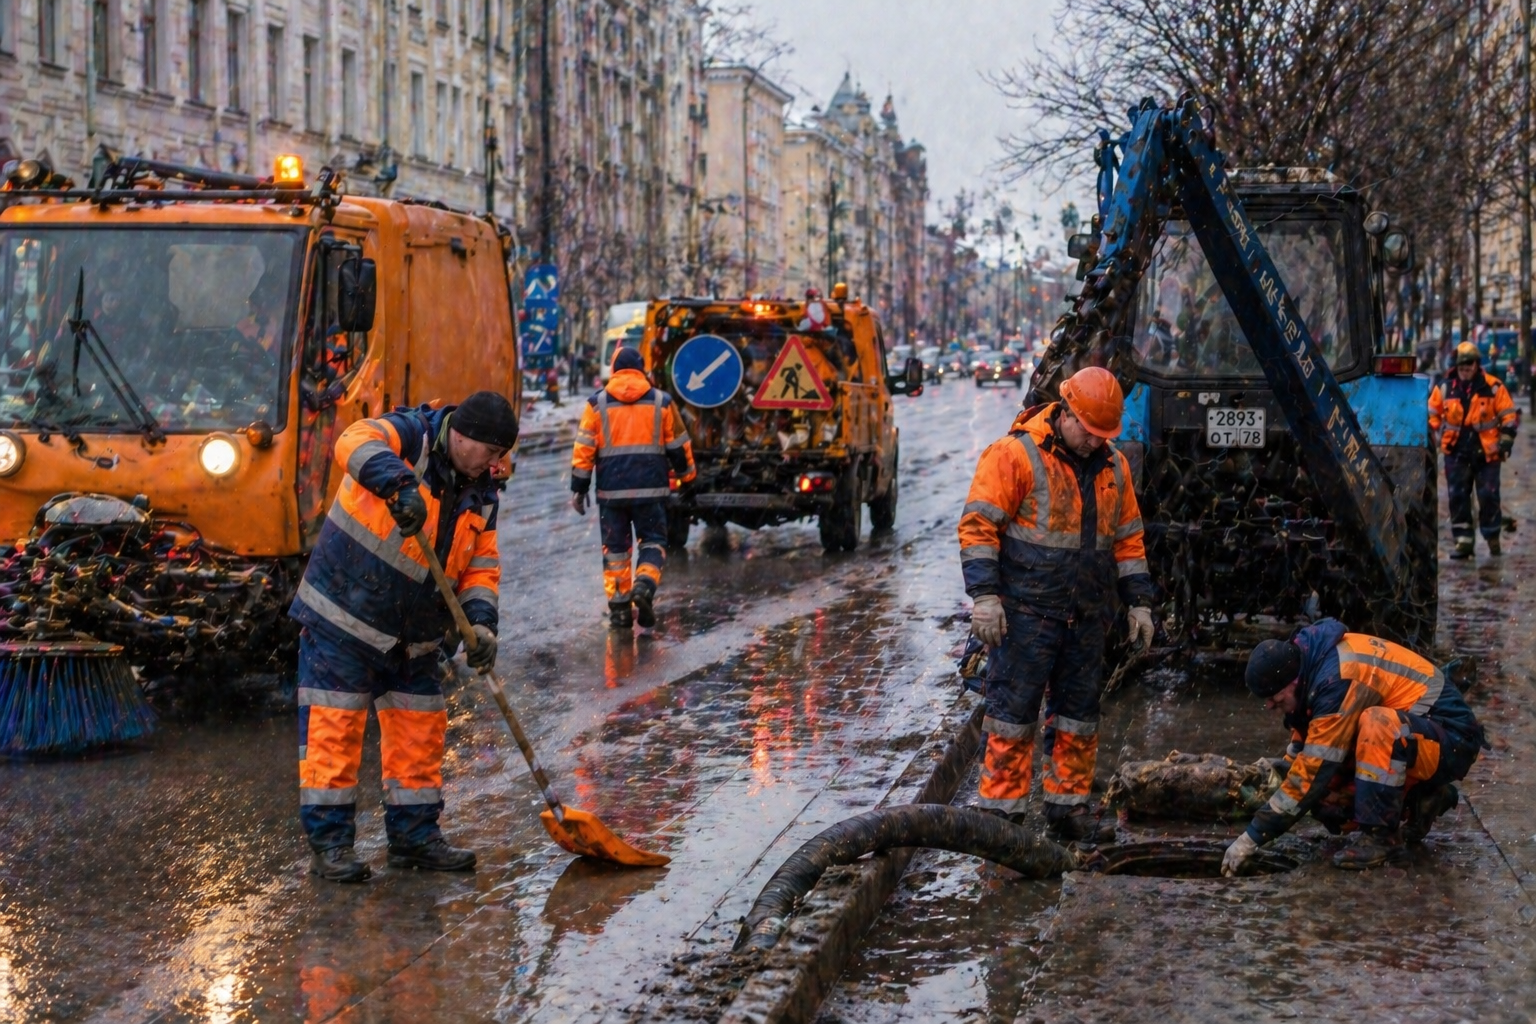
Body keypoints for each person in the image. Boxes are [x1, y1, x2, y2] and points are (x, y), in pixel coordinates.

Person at [289, 390, 518, 883]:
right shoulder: (410, 436)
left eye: (501, 456)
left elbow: (480, 566)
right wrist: (398, 486)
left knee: (420, 734)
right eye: (492, 453)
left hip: (414, 636)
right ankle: (330, 847)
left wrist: (480, 627)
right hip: (345, 620)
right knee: (335, 732)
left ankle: (414, 838)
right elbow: (354, 440)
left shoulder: (483, 491)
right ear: (462, 436)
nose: (497, 464)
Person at [958, 366, 1157, 842]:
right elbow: (979, 528)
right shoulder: (1014, 455)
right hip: (1026, 613)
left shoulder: (1114, 467)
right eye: (1088, 432)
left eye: (1102, 435)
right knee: (1012, 715)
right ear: (1065, 412)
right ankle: (1001, 820)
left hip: (1087, 615)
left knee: (1078, 716)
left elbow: (1128, 541)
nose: (1094, 442)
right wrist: (985, 599)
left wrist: (1139, 604)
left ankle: (1068, 810)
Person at [1223, 619, 1487, 874]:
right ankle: (1421, 798)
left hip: (1453, 739)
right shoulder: (1309, 666)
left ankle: (1383, 840)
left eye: (1275, 699)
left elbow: (1311, 773)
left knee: (1377, 725)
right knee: (1332, 803)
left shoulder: (1337, 680)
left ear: (1293, 682)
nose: (1269, 706)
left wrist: (1253, 836)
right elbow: (1306, 751)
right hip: (1419, 736)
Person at [571, 347, 695, 629]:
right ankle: (644, 585)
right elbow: (678, 446)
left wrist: (579, 487)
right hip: (651, 491)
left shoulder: (596, 404)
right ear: (642, 370)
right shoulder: (662, 403)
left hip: (611, 494)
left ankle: (619, 611)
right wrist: (689, 480)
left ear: (614, 370)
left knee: (616, 551)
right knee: (653, 542)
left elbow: (584, 449)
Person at [1429, 340, 1518, 558]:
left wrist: (1506, 440)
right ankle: (1463, 542)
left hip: (1487, 453)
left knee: (1488, 496)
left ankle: (1492, 537)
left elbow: (1508, 416)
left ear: (1477, 365)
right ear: (1456, 367)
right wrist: (1429, 434)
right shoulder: (1444, 388)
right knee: (1458, 498)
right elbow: (1432, 413)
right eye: (1461, 367)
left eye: (1469, 367)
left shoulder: (1493, 387)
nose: (1465, 371)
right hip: (1456, 453)